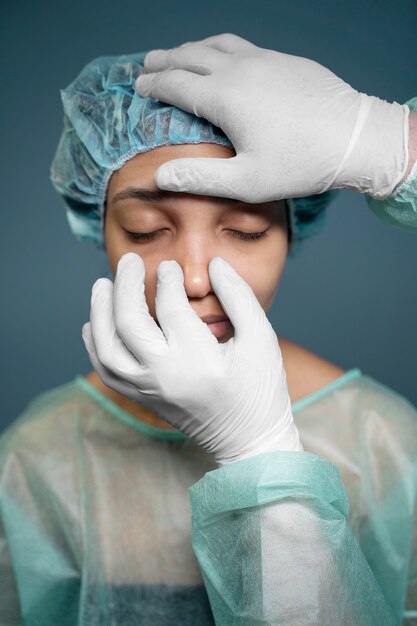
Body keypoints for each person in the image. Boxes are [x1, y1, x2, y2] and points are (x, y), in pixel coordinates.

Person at [0, 43, 416, 626]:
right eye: (146, 230)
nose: (194, 277)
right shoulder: (32, 457)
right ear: (102, 233)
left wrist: (260, 452)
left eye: (244, 229)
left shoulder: (388, 443)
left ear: (292, 233)